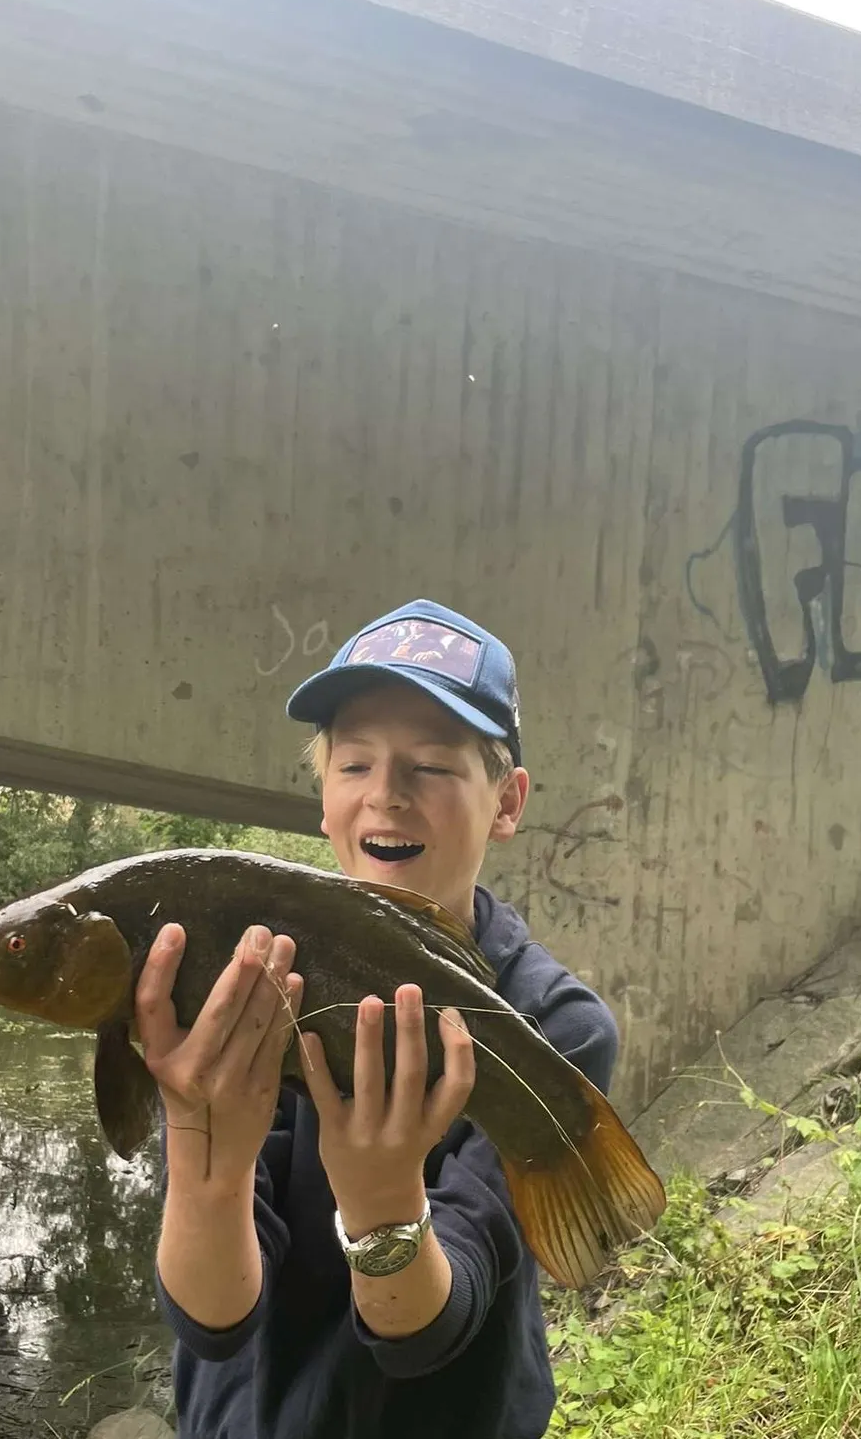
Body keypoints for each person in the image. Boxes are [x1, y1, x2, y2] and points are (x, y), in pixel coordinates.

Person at [133, 600, 621, 1438]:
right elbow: (214, 1322)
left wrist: (383, 1202)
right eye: (354, 765)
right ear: (323, 800)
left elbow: (431, 1329)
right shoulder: (256, 976)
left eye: (430, 767)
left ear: (506, 803)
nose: (386, 796)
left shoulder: (548, 1026)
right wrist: (201, 1149)